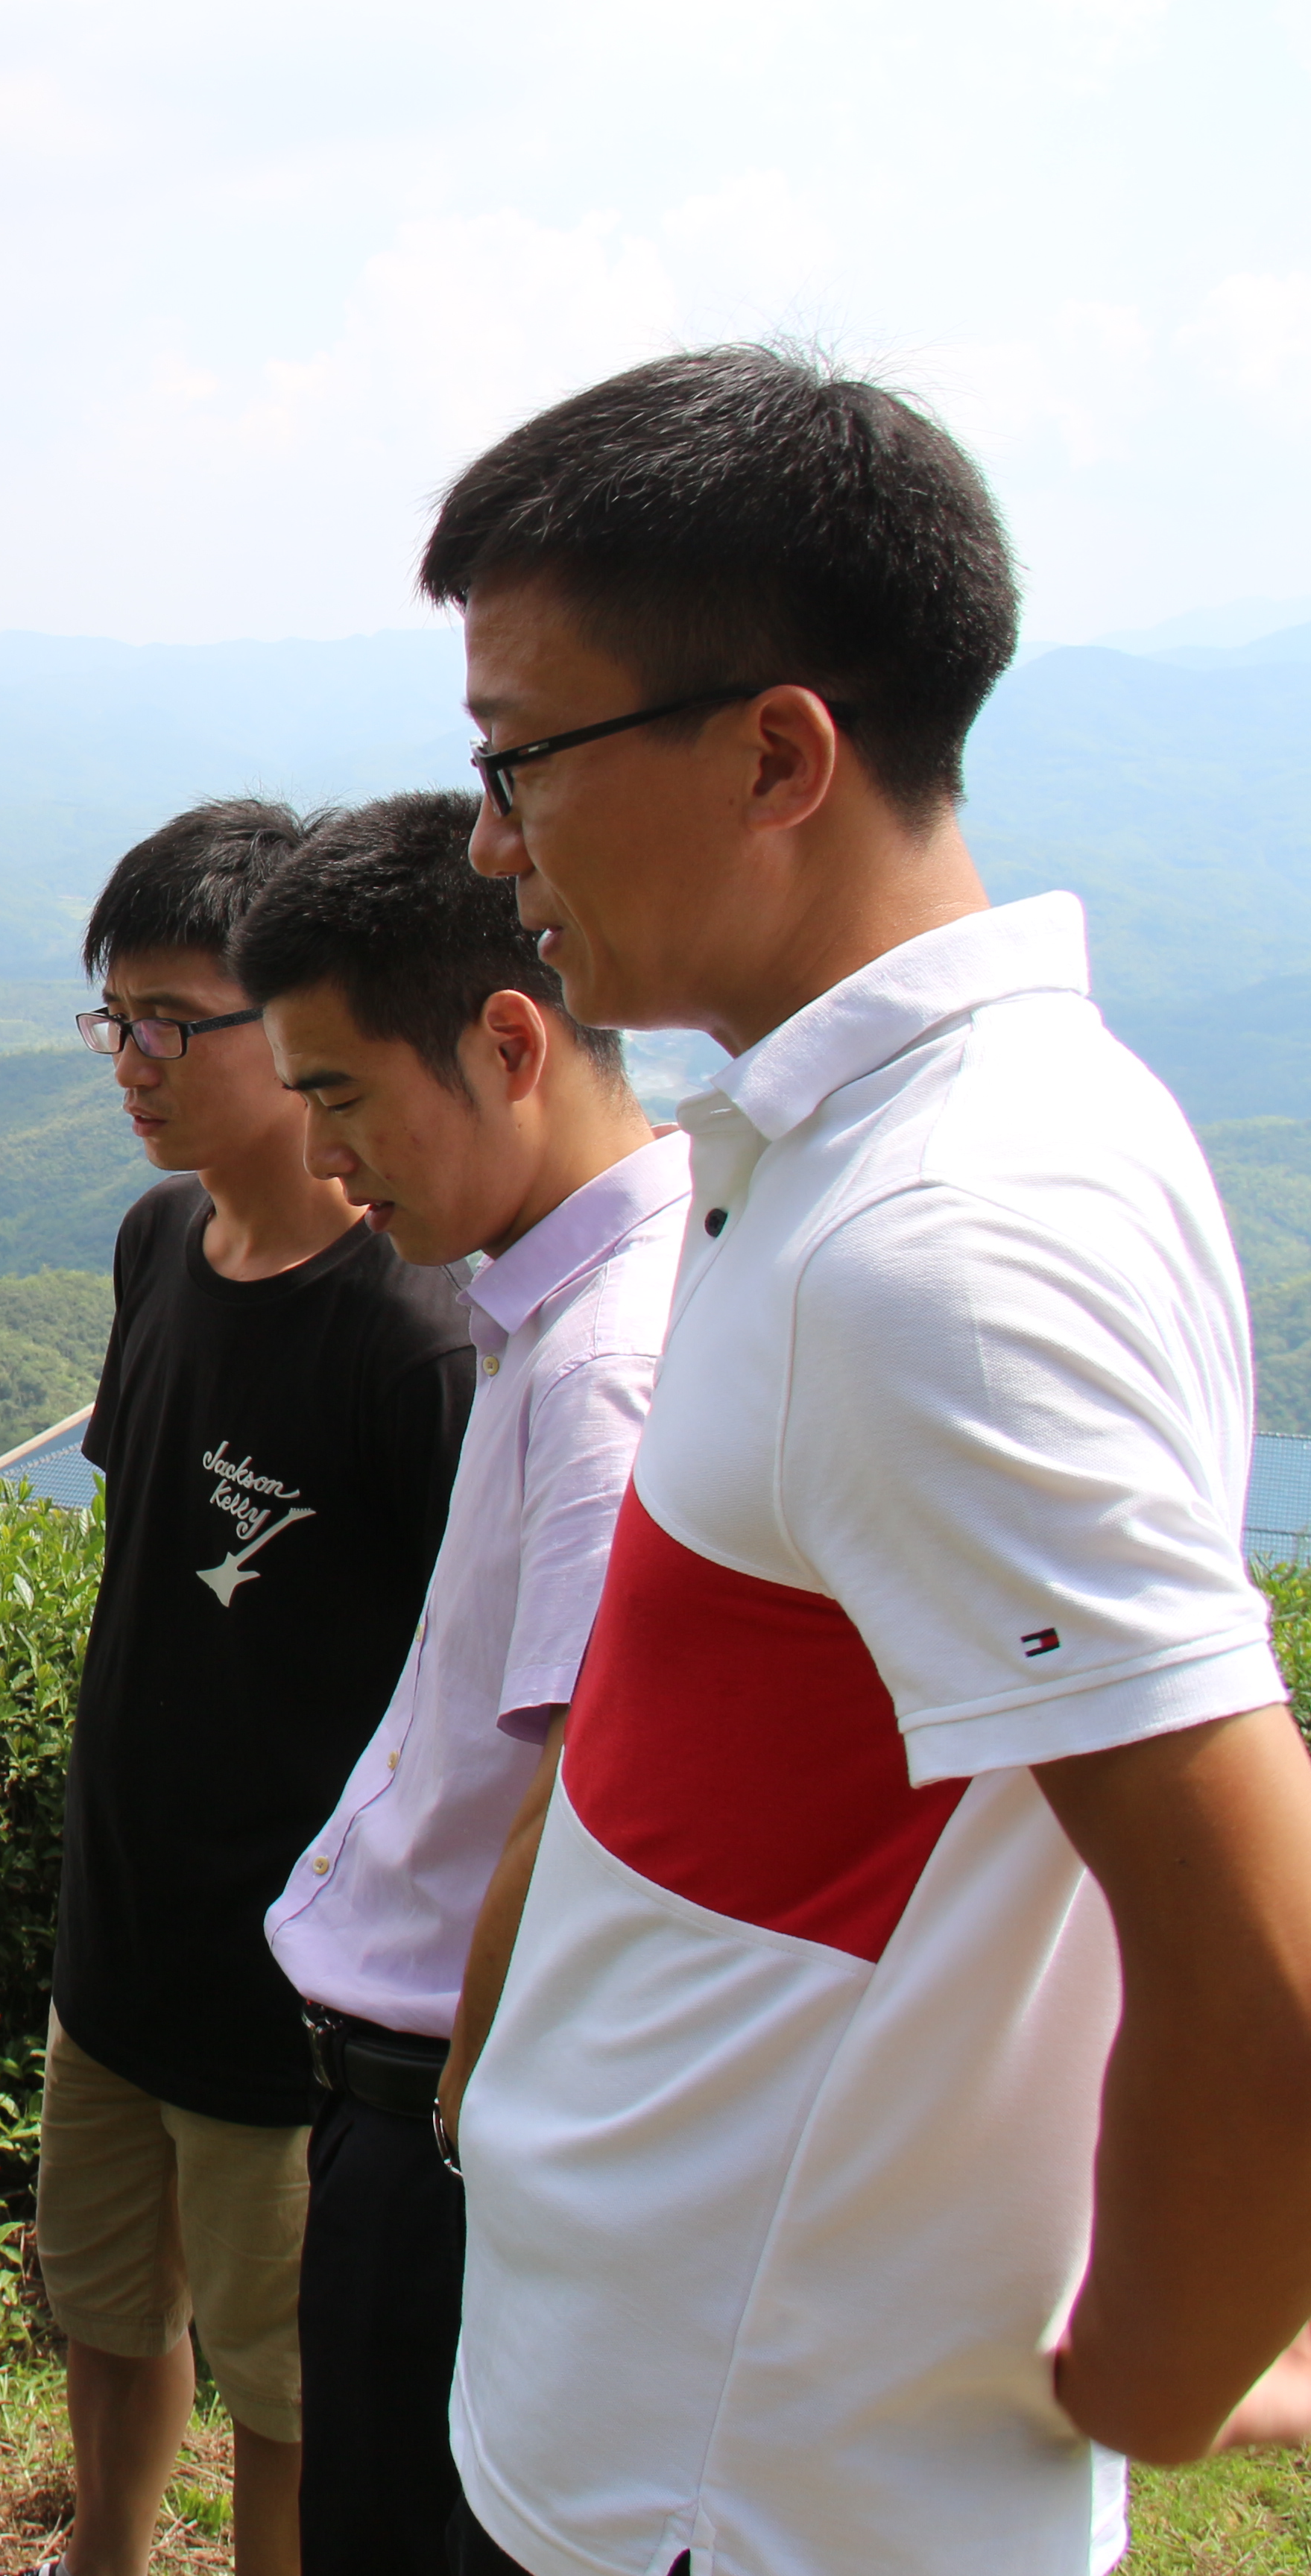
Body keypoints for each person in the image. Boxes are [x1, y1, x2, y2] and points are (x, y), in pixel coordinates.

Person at [427, 346, 1311, 2576]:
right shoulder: (840, 1142)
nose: (486, 836)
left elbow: (1268, 1977)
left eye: (521, 756)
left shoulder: (941, 1243)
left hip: (752, 2499)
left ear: (780, 753)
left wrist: (1139, 2386)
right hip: (684, 2431)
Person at [230, 791, 686, 2576]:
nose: (328, 1159)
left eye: (339, 1092)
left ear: (508, 1040)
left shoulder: (605, 1361)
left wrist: (456, 2118)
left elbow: (596, 1793)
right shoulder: (548, 1303)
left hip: (449, 2130)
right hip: (436, 2115)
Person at [40, 800, 476, 2576]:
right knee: (102, 2302)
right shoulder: (155, 1246)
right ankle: (102, 2551)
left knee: (286, 2390)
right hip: (118, 1938)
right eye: (113, 1017)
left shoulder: (407, 1327)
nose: (134, 1061)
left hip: (296, 1986)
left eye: (176, 1019)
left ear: (293, 1018)